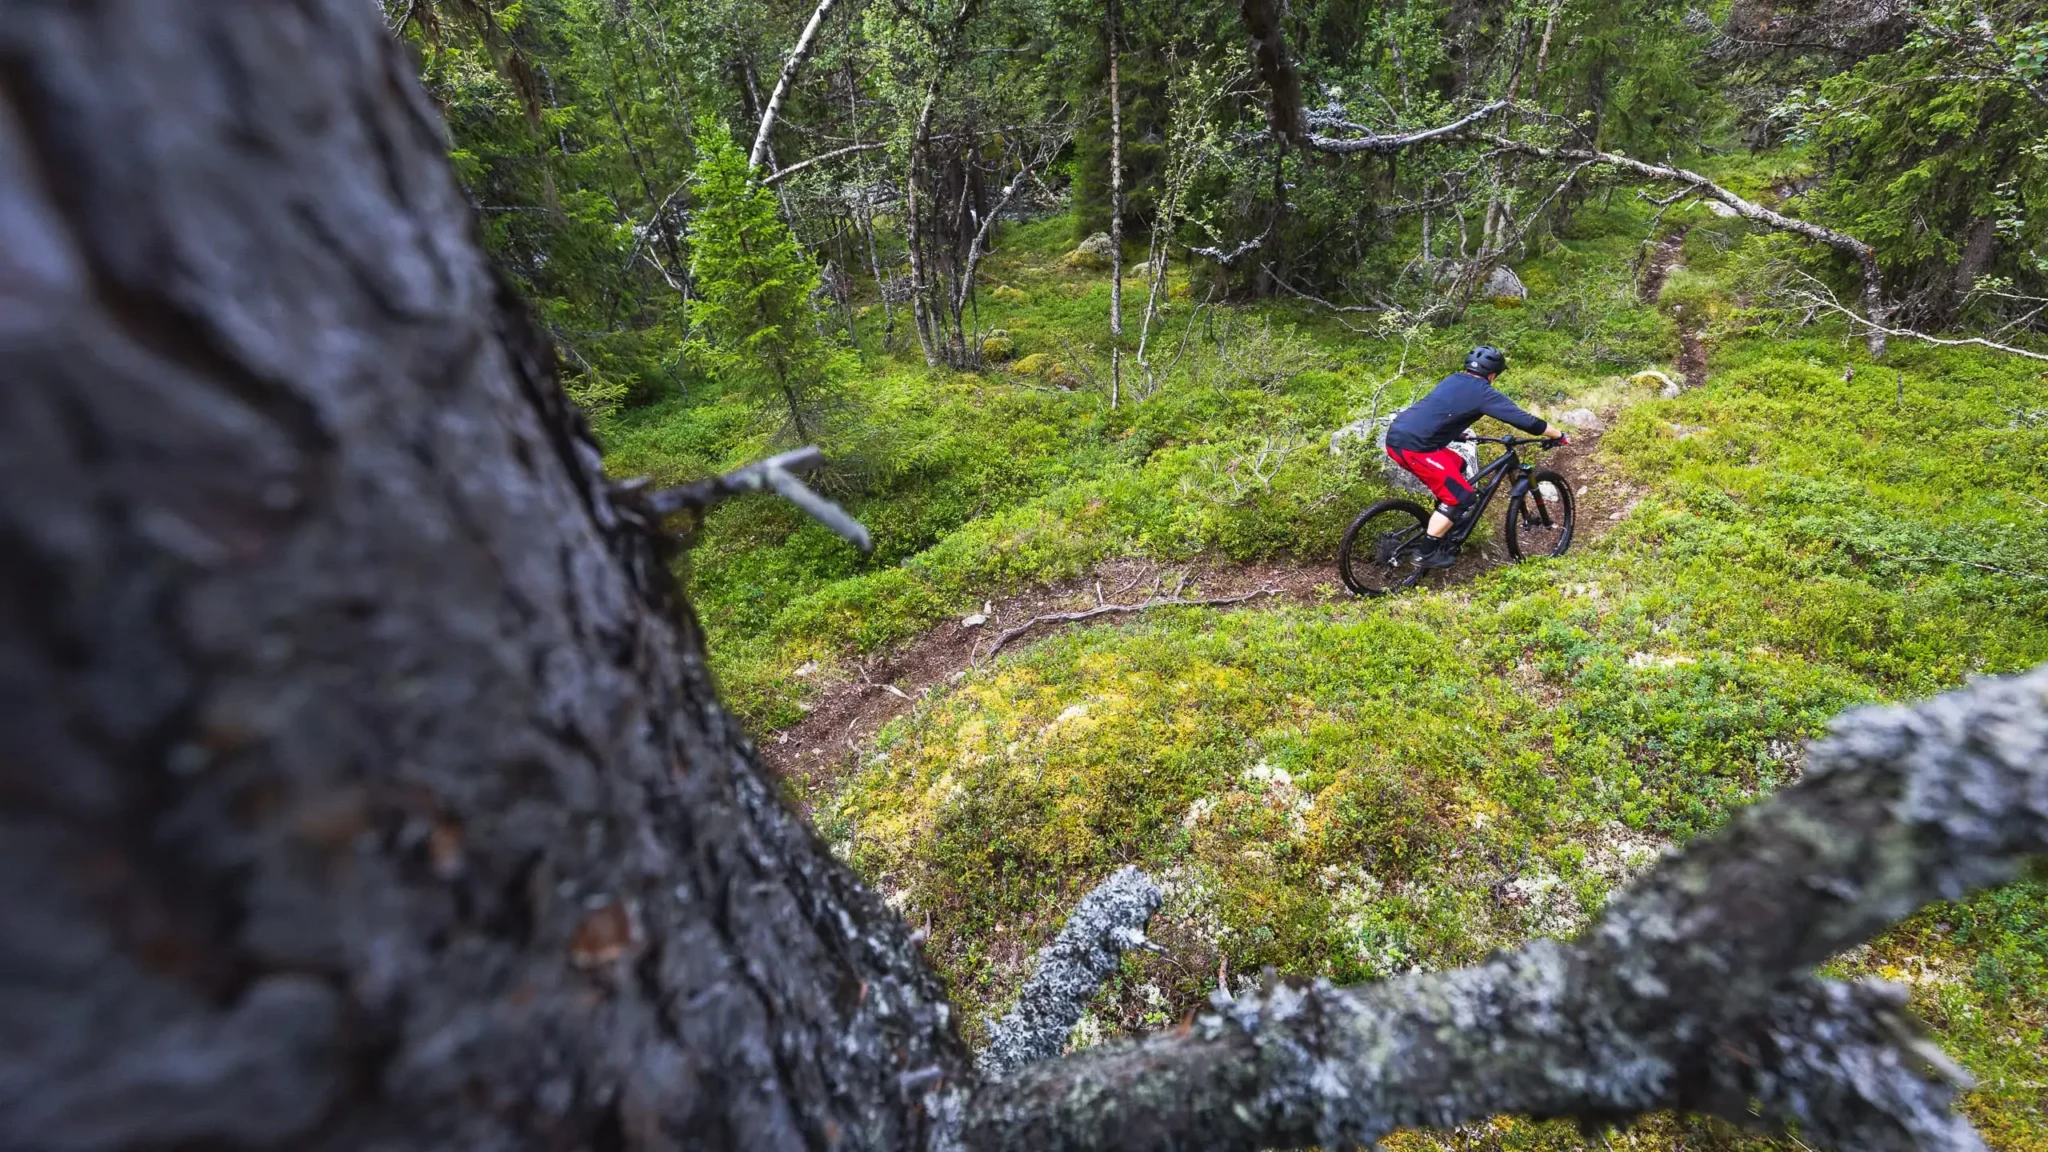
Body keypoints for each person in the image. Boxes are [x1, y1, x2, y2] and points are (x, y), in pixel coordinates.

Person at [1384, 345, 1567, 569]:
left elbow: (1440, 409)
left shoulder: (1453, 379)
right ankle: (1425, 553)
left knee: (1457, 463)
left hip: (1398, 437)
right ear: (1493, 375)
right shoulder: (1484, 391)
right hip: (1417, 448)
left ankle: (1446, 519)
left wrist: (1455, 432)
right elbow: (1525, 421)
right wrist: (1558, 435)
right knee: (1462, 497)